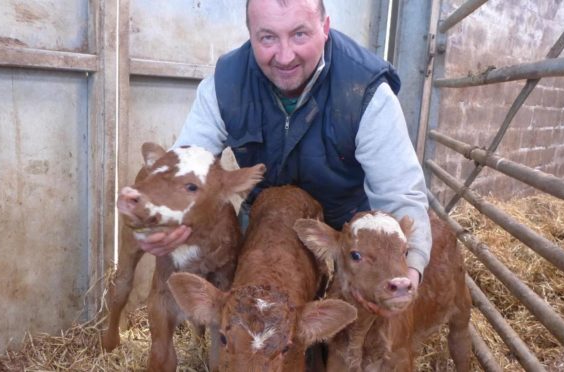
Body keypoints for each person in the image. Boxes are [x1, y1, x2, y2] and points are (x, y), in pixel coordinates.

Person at [137, 0, 432, 291]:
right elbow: (185, 165)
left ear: (325, 27)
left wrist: (410, 272)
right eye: (267, 37)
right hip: (265, 216)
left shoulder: (366, 92)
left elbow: (399, 194)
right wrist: (160, 217)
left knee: (343, 317)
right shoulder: (223, 86)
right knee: (247, 310)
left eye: (299, 34)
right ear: (250, 34)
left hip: (341, 228)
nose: (285, 55)